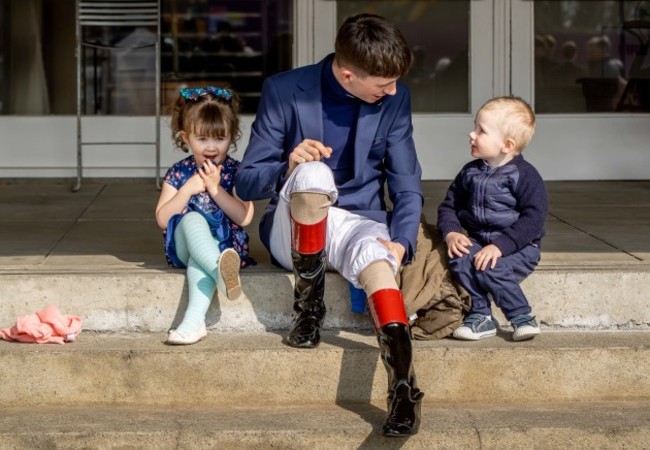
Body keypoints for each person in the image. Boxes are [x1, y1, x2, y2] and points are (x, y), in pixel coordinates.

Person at [235, 13, 424, 437]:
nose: (392, 90)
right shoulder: (284, 90)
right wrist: (288, 163)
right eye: (383, 84)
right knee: (314, 174)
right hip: (295, 226)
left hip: (359, 220)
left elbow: (407, 183)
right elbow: (245, 181)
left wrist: (402, 243)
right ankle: (309, 306)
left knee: (377, 260)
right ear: (347, 74)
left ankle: (403, 389)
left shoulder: (396, 100)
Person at [437, 96, 548, 342]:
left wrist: (500, 246)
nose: (471, 134)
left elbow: (534, 219)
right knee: (460, 259)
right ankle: (481, 316)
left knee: (488, 267)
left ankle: (521, 316)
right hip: (478, 241)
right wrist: (452, 232)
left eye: (481, 131)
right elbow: (449, 206)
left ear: (507, 145)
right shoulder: (470, 172)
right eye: (475, 128)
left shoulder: (525, 176)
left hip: (518, 248)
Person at [156, 86, 255, 345]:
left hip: (226, 249)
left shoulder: (236, 171)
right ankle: (220, 272)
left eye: (219, 138)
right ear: (185, 138)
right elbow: (162, 219)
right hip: (185, 246)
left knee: (201, 260)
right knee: (192, 219)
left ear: (232, 137)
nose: (211, 147)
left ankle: (192, 324)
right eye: (202, 139)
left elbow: (244, 217)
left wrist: (215, 189)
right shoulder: (179, 173)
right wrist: (186, 191)